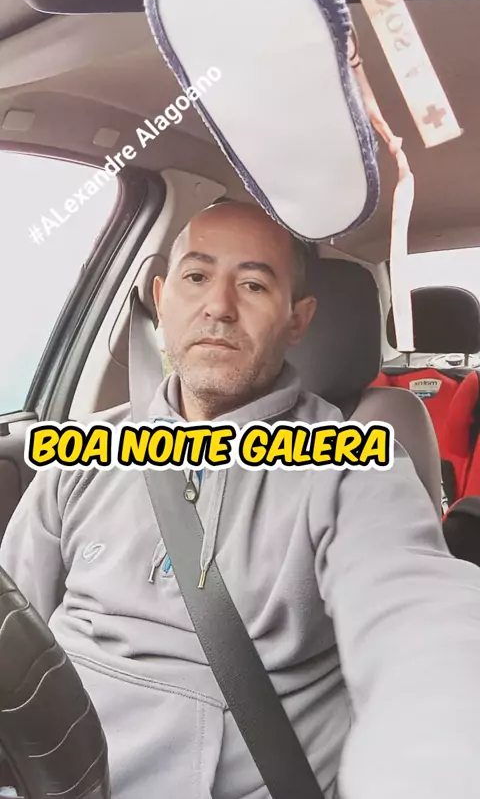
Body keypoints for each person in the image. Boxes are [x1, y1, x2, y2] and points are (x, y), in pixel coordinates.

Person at [2, 201, 480, 799]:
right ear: (162, 299)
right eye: (196, 276)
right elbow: (12, 630)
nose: (219, 307)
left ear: (297, 319)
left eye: (253, 285)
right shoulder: (82, 453)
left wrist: (438, 753)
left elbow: (416, 611)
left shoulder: (353, 466)